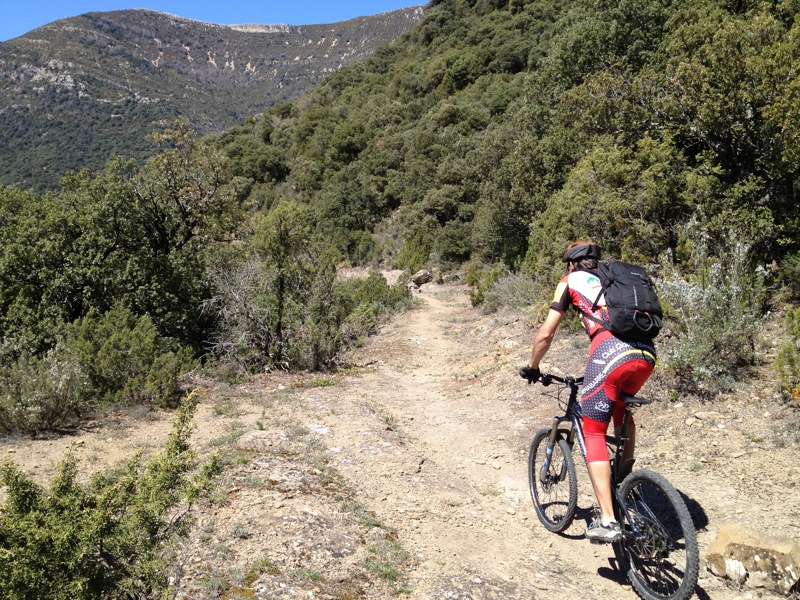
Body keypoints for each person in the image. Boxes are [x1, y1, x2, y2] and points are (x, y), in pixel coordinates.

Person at [521, 241, 656, 542]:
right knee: (621, 411)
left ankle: (608, 520)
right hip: (646, 355)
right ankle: (623, 484)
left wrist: (533, 366)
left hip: (609, 353)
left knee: (594, 432)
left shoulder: (570, 281)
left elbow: (546, 333)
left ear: (571, 264)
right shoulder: (615, 278)